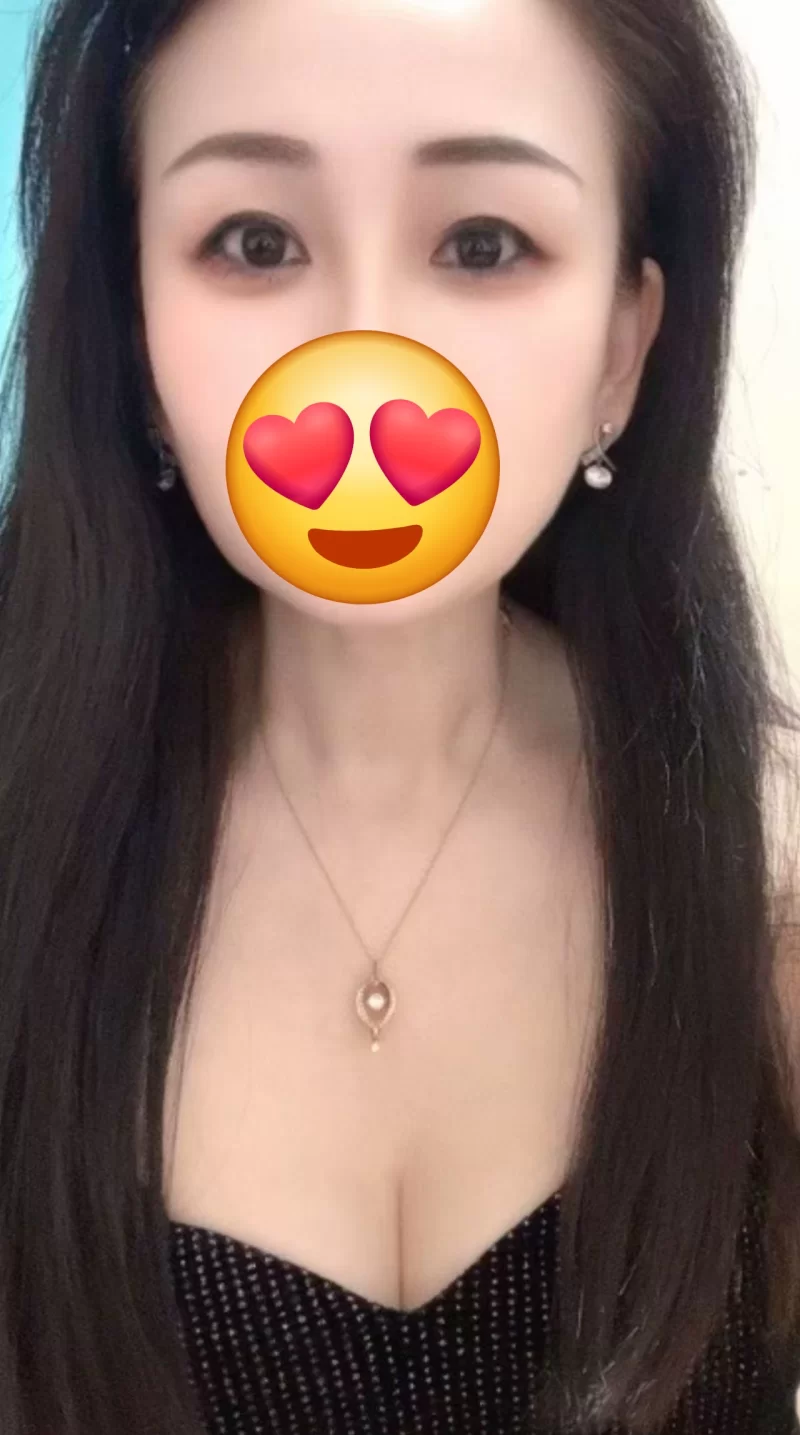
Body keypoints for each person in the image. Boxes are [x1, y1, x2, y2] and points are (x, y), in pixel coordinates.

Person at [0, 0, 798, 1431]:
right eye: (255, 241)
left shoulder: (773, 881)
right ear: (133, 334)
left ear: (624, 347)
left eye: (482, 244)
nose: (364, 356)